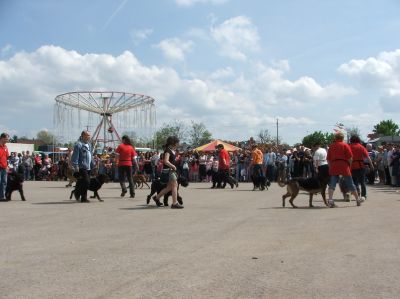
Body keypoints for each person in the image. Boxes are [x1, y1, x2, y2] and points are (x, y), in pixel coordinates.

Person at [327, 132, 362, 208]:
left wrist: (330, 167)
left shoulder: (331, 146)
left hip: (334, 165)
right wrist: (349, 166)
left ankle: (330, 200)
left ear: (335, 138)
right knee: (350, 183)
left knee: (332, 184)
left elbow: (328, 159)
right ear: (342, 138)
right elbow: (350, 158)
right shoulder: (345, 145)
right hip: (343, 165)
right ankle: (357, 200)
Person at [152, 136, 183, 209]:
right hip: (170, 171)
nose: (179, 144)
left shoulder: (171, 150)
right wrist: (173, 166)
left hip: (170, 171)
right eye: (178, 142)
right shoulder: (168, 151)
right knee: (175, 186)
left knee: (169, 187)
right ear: (174, 143)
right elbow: (165, 161)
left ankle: (156, 198)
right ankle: (174, 203)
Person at [349, 135, 373, 200]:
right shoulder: (361, 147)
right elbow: (368, 157)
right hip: (361, 166)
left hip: (353, 166)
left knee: (355, 182)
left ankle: (357, 194)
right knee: (362, 182)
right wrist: (371, 165)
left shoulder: (349, 147)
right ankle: (364, 195)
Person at [71, 130, 93, 203]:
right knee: (87, 182)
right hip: (81, 166)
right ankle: (77, 192)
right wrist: (75, 166)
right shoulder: (78, 145)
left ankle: (83, 198)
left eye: (89, 135)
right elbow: (75, 157)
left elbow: (90, 155)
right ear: (83, 136)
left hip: (88, 166)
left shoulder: (89, 145)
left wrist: (93, 164)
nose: (89, 137)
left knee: (82, 182)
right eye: (87, 135)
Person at [0, 133, 10, 201]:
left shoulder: (6, 147)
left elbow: (7, 158)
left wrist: (7, 166)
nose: (7, 140)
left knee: (4, 182)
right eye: (6, 139)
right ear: (2, 138)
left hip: (4, 167)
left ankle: (2, 196)